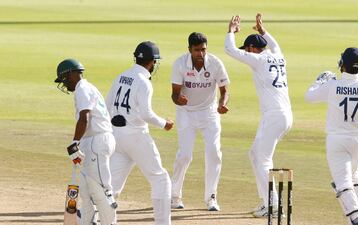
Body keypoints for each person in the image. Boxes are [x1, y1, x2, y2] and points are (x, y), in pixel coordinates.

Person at [224, 14, 293, 218]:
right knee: (256, 155)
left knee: (262, 159)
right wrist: (264, 32)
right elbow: (276, 45)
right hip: (283, 115)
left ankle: (273, 206)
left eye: (248, 50)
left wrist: (231, 32)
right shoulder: (279, 57)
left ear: (252, 49)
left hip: (274, 116)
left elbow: (230, 50)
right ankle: (267, 202)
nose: (247, 53)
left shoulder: (259, 59)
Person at [305, 47, 358, 225]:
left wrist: (320, 82)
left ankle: (357, 220)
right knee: (354, 177)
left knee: (342, 183)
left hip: (337, 141)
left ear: (342, 65)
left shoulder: (332, 86)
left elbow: (309, 97)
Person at [106, 41, 174, 225]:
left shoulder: (121, 76)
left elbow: (107, 105)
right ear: (152, 62)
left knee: (111, 186)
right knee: (161, 179)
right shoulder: (144, 82)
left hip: (117, 136)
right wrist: (164, 123)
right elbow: (146, 114)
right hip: (136, 136)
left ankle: (97, 219)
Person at [170, 32, 230, 211]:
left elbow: (224, 90)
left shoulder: (216, 63)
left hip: (209, 113)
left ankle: (211, 197)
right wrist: (178, 99)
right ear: (189, 50)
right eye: (197, 50)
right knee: (185, 155)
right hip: (186, 113)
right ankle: (174, 196)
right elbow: (174, 94)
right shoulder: (180, 64)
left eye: (203, 50)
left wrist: (222, 104)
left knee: (214, 153)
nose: (201, 54)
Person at [54, 58, 118, 225]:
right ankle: (89, 222)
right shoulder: (87, 88)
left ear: (70, 74)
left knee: (102, 191)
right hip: (93, 141)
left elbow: (85, 117)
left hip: (97, 141)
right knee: (87, 190)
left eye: (63, 79)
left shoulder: (82, 88)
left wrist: (75, 141)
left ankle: (109, 222)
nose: (64, 83)